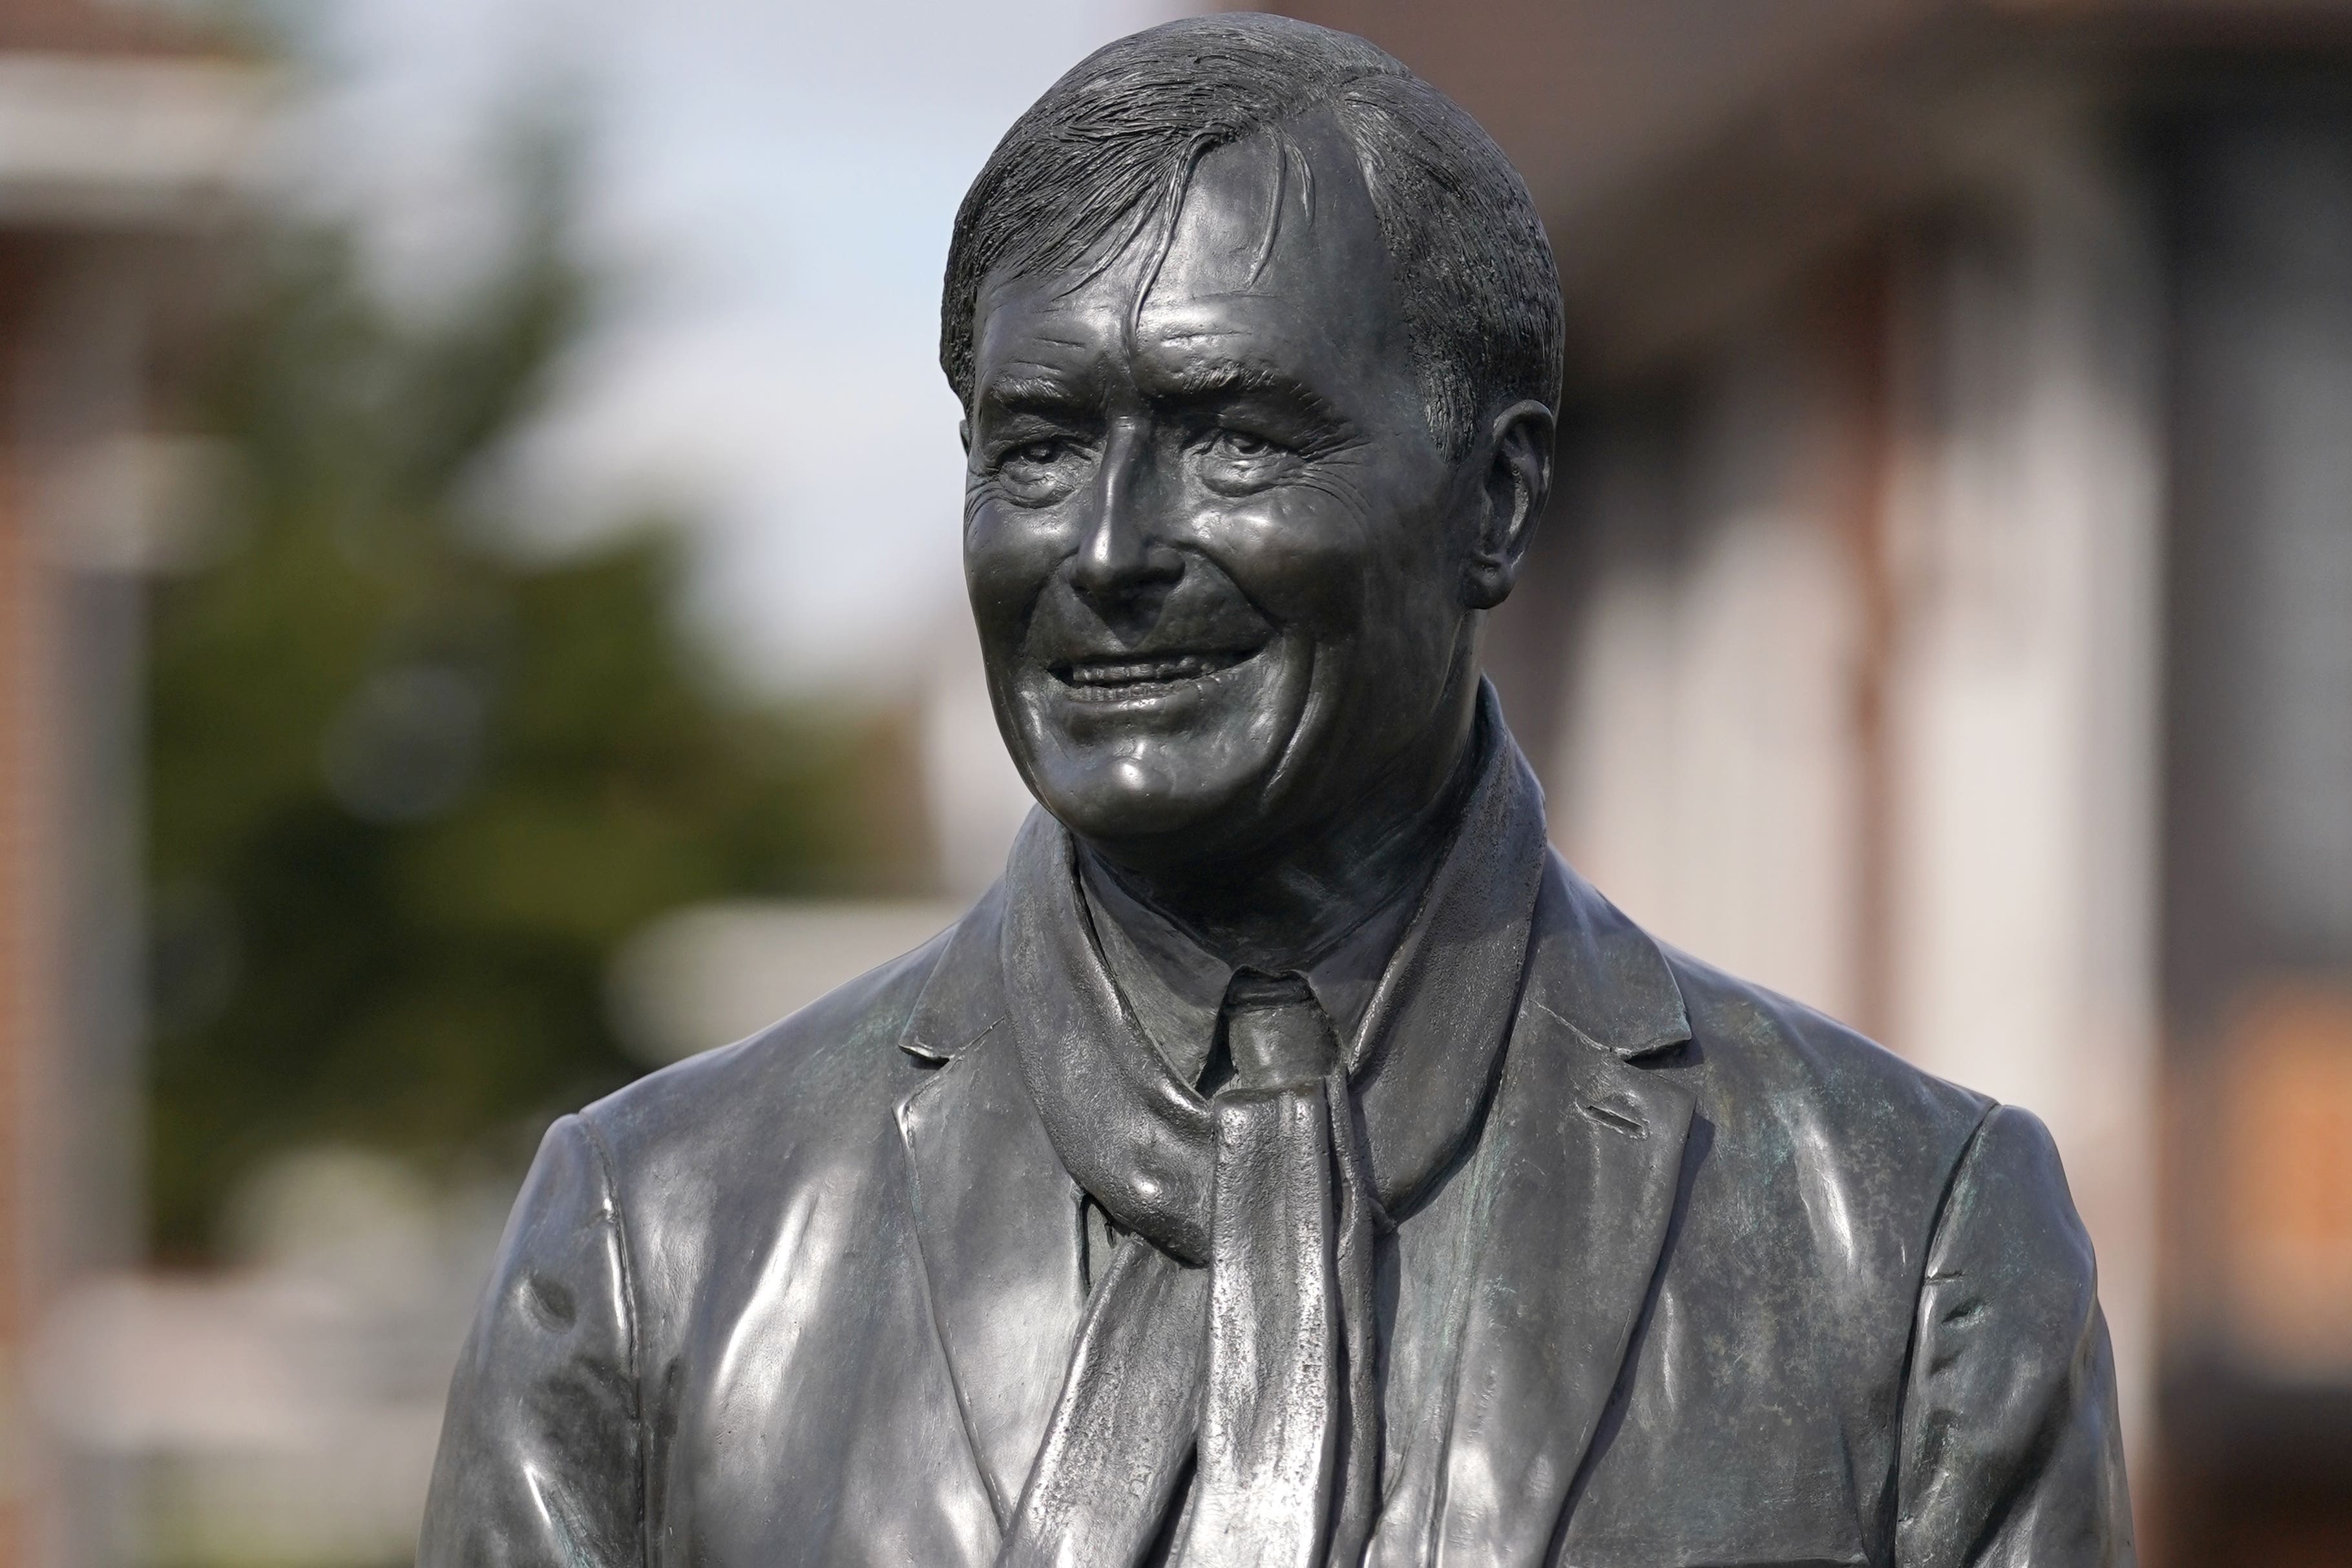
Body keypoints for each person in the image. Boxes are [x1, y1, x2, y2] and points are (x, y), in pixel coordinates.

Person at [419, 16, 2133, 1565]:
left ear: (1498, 499)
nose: (1107, 550)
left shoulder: (1902, 1245)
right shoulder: (655, 1244)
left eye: (1234, 433)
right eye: (1037, 445)